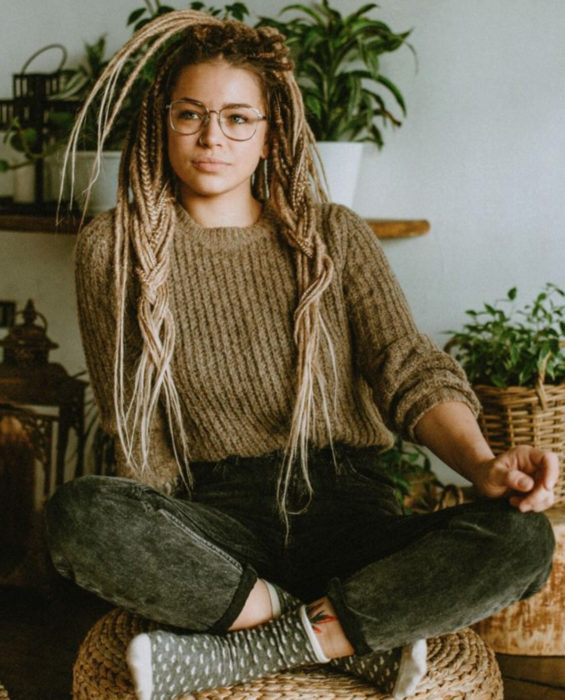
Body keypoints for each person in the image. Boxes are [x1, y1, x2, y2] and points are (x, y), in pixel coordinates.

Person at [45, 11, 558, 700]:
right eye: (190, 114)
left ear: (270, 132)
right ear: (159, 123)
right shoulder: (116, 249)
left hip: (353, 511)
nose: (211, 137)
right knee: (79, 515)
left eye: (236, 118)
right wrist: (166, 553)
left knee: (522, 543)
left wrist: (481, 462)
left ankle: (259, 640)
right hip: (222, 526)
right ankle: (343, 638)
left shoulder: (332, 237)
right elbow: (136, 432)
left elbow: (408, 368)